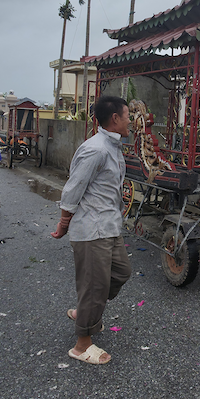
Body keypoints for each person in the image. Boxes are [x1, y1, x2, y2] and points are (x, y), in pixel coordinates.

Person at [51, 96, 131, 365]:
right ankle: (82, 344)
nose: (130, 120)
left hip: (109, 226)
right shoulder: (96, 149)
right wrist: (64, 223)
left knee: (120, 273)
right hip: (93, 229)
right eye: (128, 115)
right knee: (96, 288)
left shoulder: (113, 147)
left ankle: (86, 309)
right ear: (115, 119)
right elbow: (73, 189)